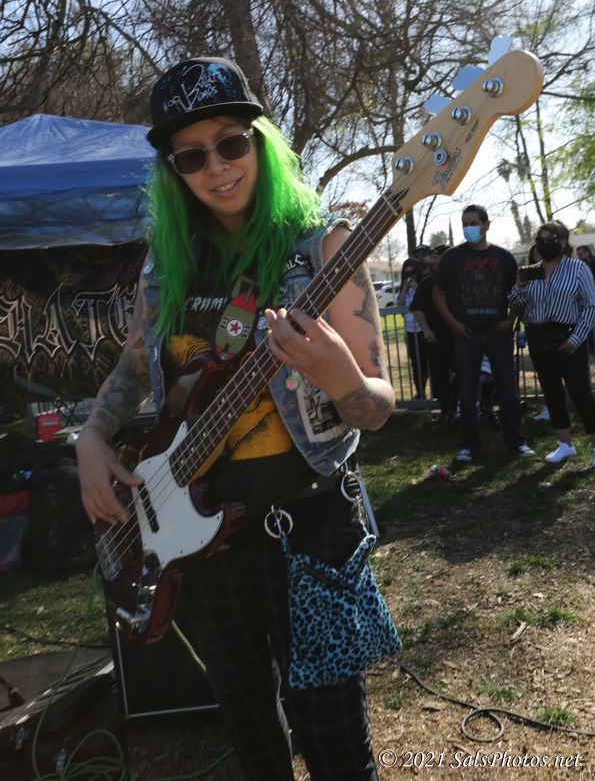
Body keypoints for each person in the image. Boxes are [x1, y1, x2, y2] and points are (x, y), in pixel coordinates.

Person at [75, 56, 395, 780]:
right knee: (251, 731)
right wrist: (91, 437)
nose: (216, 167)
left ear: (261, 142)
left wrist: (344, 378)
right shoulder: (168, 264)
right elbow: (132, 369)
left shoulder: (324, 249)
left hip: (308, 528)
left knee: (337, 744)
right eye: (191, 156)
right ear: (174, 172)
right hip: (201, 544)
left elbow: (376, 409)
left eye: (230, 142)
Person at [433, 204, 534, 462]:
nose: (469, 228)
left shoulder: (504, 258)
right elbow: (437, 294)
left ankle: (516, 443)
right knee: (467, 393)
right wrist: (453, 324)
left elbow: (518, 293)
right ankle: (469, 444)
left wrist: (510, 320)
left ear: (486, 224)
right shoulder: (452, 257)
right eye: (465, 224)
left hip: (498, 333)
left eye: (474, 223)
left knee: (508, 391)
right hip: (466, 334)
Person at [509, 221, 595, 467]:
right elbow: (516, 305)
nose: (543, 244)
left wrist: (576, 338)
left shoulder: (578, 268)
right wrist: (519, 286)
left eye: (549, 239)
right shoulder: (531, 271)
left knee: (580, 392)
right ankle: (564, 444)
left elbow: (590, 304)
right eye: (540, 239)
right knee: (552, 392)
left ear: (562, 241)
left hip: (568, 336)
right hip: (538, 337)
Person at [411, 244, 456, 421]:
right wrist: (426, 330)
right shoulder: (427, 282)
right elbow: (417, 308)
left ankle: (460, 407)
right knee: (439, 376)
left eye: (439, 257)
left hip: (459, 336)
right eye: (434, 257)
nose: (435, 260)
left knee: (463, 373)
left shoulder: (460, 279)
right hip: (436, 338)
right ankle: (446, 411)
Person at [395, 260, 427, 398]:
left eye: (413, 272)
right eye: (407, 273)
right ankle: (420, 393)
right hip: (410, 331)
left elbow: (427, 300)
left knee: (426, 362)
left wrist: (416, 287)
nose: (410, 276)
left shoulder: (422, 286)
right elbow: (399, 307)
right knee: (415, 363)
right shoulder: (403, 289)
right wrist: (403, 290)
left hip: (424, 329)